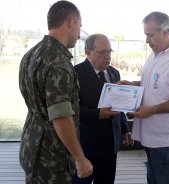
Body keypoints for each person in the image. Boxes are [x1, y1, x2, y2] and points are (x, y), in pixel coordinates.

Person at [118, 12, 169, 184]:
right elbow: (156, 85)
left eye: (150, 35)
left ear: (166, 31)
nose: (147, 41)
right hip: (151, 138)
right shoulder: (156, 54)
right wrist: (132, 84)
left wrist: (153, 110)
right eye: (146, 35)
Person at [18, 1, 93, 183]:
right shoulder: (58, 62)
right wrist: (80, 158)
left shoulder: (31, 54)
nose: (79, 34)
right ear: (71, 21)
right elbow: (61, 117)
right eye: (79, 27)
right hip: (51, 158)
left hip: (31, 146)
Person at [72, 34, 133, 184]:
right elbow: (71, 109)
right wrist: (97, 114)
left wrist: (125, 129)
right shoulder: (74, 73)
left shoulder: (114, 72)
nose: (108, 57)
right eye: (103, 52)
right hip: (86, 147)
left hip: (111, 146)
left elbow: (118, 104)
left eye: (109, 52)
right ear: (88, 52)